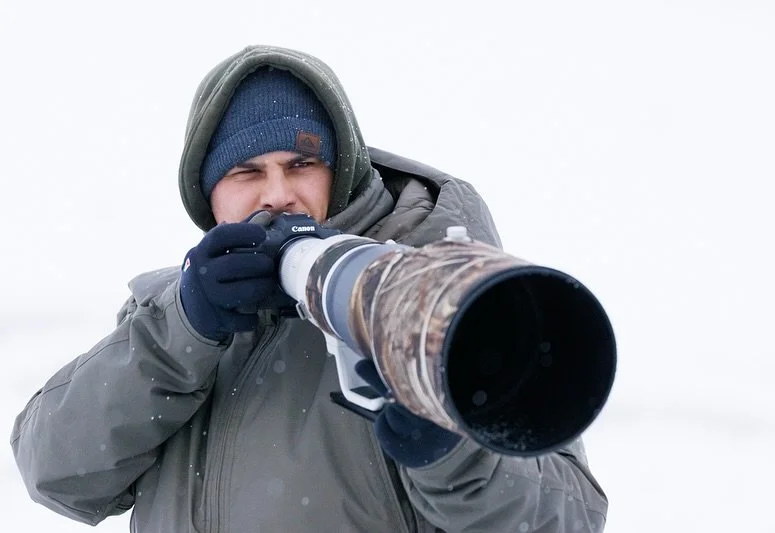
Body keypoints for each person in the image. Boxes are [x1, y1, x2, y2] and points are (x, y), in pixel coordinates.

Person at [10, 45, 608, 532]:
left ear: (340, 171)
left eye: (301, 165)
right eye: (246, 172)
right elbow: (57, 474)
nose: (277, 194)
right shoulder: (174, 313)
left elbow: (566, 521)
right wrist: (181, 330)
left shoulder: (442, 305)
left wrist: (453, 456)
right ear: (207, 194)